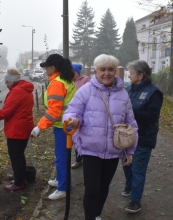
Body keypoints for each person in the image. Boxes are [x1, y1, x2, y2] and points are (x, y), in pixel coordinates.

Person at [62, 54, 138, 220]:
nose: (107, 73)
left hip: (113, 150)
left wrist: (130, 151)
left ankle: (96, 214)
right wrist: (72, 121)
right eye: (102, 69)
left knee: (104, 187)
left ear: (115, 71)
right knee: (92, 189)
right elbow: (72, 111)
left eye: (110, 69)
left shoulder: (123, 94)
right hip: (90, 148)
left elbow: (131, 123)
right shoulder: (86, 90)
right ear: (96, 71)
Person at [31, 54, 76, 200]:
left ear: (53, 67)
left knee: (62, 158)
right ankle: (60, 180)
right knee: (61, 156)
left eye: (46, 68)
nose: (45, 70)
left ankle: (63, 188)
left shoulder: (57, 83)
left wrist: (39, 127)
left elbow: (54, 112)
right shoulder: (65, 79)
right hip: (67, 125)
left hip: (63, 127)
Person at [122, 60, 163, 213]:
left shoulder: (154, 92)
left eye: (131, 73)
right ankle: (129, 186)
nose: (129, 75)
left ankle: (135, 201)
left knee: (138, 168)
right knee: (126, 163)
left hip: (144, 137)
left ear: (140, 75)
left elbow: (152, 116)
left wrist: (131, 114)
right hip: (126, 136)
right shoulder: (128, 89)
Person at [0, 68, 34, 191]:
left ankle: (19, 183)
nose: (7, 85)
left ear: (11, 81)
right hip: (24, 127)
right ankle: (22, 178)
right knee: (19, 155)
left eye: (7, 82)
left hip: (17, 129)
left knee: (15, 157)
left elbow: (6, 111)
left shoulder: (17, 92)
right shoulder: (25, 89)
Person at [71, 63, 91, 169]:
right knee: (75, 138)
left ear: (77, 72)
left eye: (73, 72)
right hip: (72, 112)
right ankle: (78, 159)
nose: (71, 74)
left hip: (84, 112)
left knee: (82, 137)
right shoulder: (69, 81)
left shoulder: (86, 80)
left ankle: (83, 158)